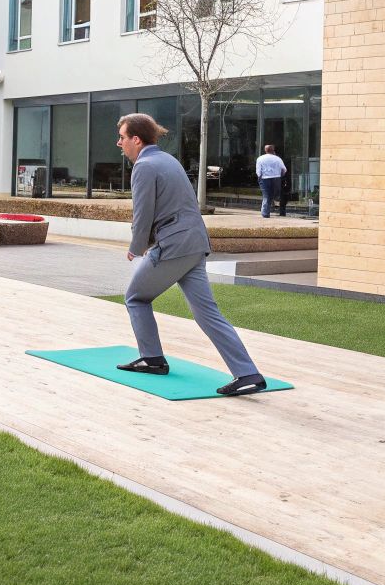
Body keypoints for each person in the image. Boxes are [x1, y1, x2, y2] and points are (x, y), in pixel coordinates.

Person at [114, 113, 267, 396]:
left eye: (122, 138)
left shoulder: (144, 167)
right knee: (207, 313)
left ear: (136, 139)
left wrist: (136, 249)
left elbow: (143, 213)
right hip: (195, 244)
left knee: (136, 297)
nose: (119, 143)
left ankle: (152, 359)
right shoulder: (168, 160)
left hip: (172, 246)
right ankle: (248, 373)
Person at [255, 144, 287, 219]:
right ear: (273, 150)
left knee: (266, 196)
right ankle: (276, 207)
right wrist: (280, 176)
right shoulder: (278, 159)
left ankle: (265, 213)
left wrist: (259, 177)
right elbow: (284, 169)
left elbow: (258, 171)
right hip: (276, 178)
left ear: (265, 150)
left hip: (264, 178)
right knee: (275, 195)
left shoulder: (260, 158)